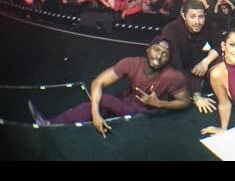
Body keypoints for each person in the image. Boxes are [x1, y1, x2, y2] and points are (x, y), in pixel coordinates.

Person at [27, 38, 190, 138]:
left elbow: (185, 101)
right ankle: (52, 124)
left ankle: (51, 124)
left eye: (165, 54)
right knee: (94, 105)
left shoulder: (174, 76)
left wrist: (160, 104)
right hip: (127, 99)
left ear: (168, 59)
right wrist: (96, 115)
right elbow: (98, 82)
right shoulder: (131, 62)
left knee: (104, 100)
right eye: (156, 49)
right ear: (148, 49)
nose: (159, 56)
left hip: (144, 111)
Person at [161, 0, 220, 113]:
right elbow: (176, 67)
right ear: (184, 16)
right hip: (177, 73)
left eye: (201, 17)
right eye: (192, 17)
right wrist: (196, 95)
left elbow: (217, 46)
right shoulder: (171, 30)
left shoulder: (208, 25)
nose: (198, 22)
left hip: (199, 68)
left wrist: (205, 62)